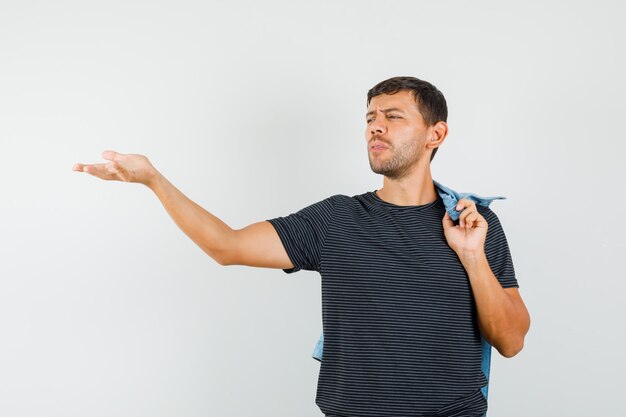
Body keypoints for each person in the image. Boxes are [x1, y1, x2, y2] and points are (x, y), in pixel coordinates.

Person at [73, 76, 530, 417]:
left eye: (393, 117)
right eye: (370, 118)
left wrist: (471, 254)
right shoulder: (336, 219)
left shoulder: (473, 223)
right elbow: (226, 246)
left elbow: (510, 341)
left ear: (436, 134)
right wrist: (154, 180)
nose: (376, 127)